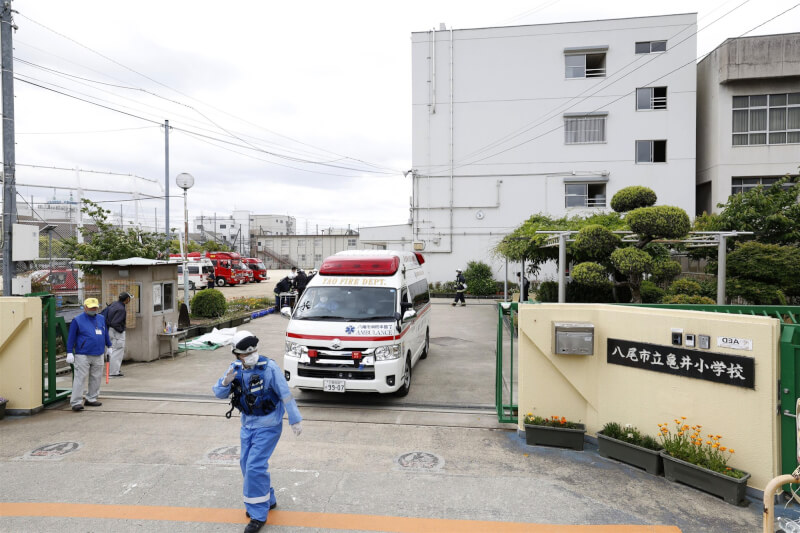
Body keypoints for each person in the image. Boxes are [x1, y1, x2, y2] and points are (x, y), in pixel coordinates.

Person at [213, 331, 303, 533]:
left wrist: (295, 419)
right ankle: (268, 498)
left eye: (253, 351)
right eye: (245, 353)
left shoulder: (270, 368)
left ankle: (258, 514)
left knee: (254, 466)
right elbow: (219, 393)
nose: (250, 355)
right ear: (237, 354)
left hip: (269, 425)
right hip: (247, 425)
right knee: (246, 464)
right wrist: (225, 383)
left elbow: (286, 394)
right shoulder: (235, 368)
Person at [66, 297, 112, 412]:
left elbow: (105, 333)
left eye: (95, 307)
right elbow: (71, 337)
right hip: (83, 354)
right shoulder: (77, 320)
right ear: (85, 307)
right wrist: (69, 352)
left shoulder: (101, 318)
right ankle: (76, 402)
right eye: (91, 307)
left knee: (96, 377)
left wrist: (109, 345)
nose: (93, 309)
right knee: (80, 378)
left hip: (98, 353)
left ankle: (91, 398)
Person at [104, 292, 132, 377]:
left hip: (109, 330)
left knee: (111, 350)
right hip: (116, 332)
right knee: (117, 351)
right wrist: (121, 330)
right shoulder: (121, 309)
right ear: (126, 299)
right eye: (129, 298)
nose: (129, 300)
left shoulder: (114, 304)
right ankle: (113, 372)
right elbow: (115, 323)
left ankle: (111, 370)